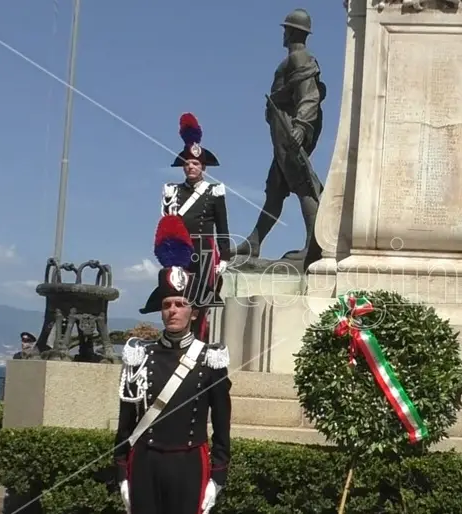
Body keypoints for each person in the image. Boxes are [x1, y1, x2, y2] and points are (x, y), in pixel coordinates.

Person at [115, 214, 232, 514]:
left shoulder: (211, 359)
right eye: (167, 305)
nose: (172, 311)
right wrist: (121, 473)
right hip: (144, 462)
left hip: (189, 464)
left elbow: (221, 424)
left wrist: (217, 478)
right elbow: (125, 423)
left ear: (194, 313)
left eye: (180, 304)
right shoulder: (139, 356)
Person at [235, 8, 326, 262]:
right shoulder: (292, 60)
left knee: (303, 185)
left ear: (294, 31)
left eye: (286, 29)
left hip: (289, 132)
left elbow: (310, 96)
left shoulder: (301, 59)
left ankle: (315, 246)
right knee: (275, 189)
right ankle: (254, 241)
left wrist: (300, 127)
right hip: (282, 132)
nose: (283, 33)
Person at [162, 112, 230, 342]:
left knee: (201, 298)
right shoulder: (172, 191)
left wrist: (225, 258)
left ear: (204, 167)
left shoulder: (215, 192)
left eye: (195, 163)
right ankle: (176, 338)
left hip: (205, 252)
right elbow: (166, 225)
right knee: (176, 294)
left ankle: (198, 340)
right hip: (180, 250)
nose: (191, 167)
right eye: (187, 163)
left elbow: (222, 227)